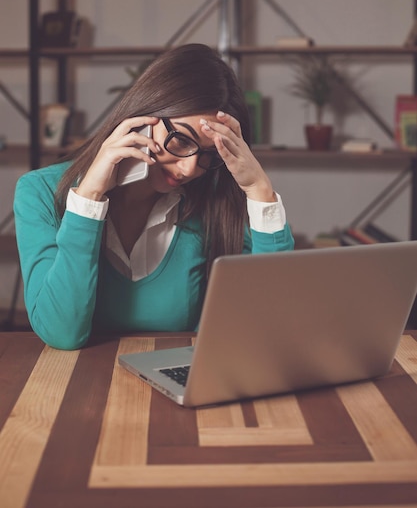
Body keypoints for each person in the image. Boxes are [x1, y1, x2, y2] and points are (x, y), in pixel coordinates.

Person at [14, 44, 294, 350]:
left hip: (181, 382)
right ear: (145, 114)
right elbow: (62, 332)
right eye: (182, 140)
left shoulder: (216, 201)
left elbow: (270, 323)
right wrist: (89, 198)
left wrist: (260, 191)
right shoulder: (39, 192)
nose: (189, 168)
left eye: (209, 155)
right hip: (76, 386)